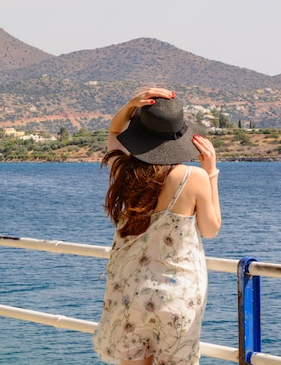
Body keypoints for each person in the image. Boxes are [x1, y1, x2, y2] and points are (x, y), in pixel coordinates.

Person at [93, 88, 221, 365]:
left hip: (129, 292)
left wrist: (131, 103)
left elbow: (115, 131)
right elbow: (211, 229)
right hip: (178, 297)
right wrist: (211, 173)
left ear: (139, 135)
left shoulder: (124, 172)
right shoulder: (194, 176)